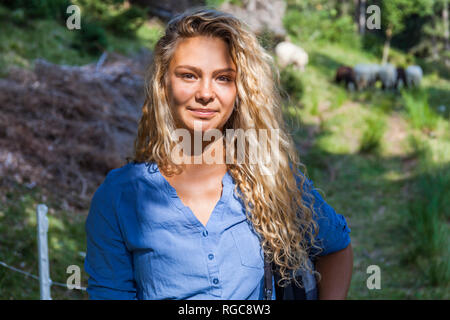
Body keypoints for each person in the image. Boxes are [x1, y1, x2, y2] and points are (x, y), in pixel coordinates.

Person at [84, 7, 353, 300]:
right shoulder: (120, 196)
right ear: (163, 84)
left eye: (223, 78)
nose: (205, 93)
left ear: (240, 91)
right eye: (189, 75)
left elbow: (336, 248)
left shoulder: (269, 176)